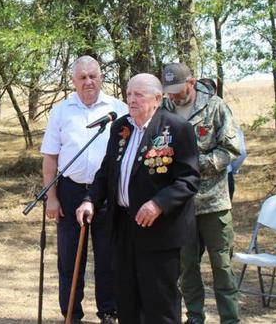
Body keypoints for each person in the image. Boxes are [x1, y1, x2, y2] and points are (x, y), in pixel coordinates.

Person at [76, 73, 199, 324]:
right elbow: (106, 173)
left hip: (159, 232)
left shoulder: (176, 128)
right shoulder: (120, 127)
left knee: (159, 304)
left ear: (157, 98)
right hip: (123, 228)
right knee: (127, 301)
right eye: (129, 94)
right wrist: (90, 199)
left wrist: (158, 203)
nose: (131, 100)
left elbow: (188, 179)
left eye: (138, 95)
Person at [40, 55, 127, 323]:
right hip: (70, 191)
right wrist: (51, 198)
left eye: (93, 76)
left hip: (107, 195)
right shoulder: (61, 111)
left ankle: (109, 312)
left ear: (101, 77)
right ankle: (71, 315)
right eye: (82, 77)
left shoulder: (119, 109)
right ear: (73, 81)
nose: (88, 82)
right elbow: (50, 158)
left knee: (108, 258)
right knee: (69, 260)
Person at [162, 63, 240, 324]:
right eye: (168, 90)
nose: (173, 95)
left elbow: (231, 149)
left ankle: (230, 319)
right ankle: (195, 317)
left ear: (191, 82)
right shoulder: (165, 109)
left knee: (222, 267)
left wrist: (195, 164)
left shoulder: (215, 106)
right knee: (187, 268)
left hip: (214, 202)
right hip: (181, 204)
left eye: (177, 89)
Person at [196, 77, 247, 200]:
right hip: (221, 177)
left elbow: (239, 151)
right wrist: (231, 169)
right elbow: (241, 153)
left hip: (219, 182)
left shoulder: (221, 112)